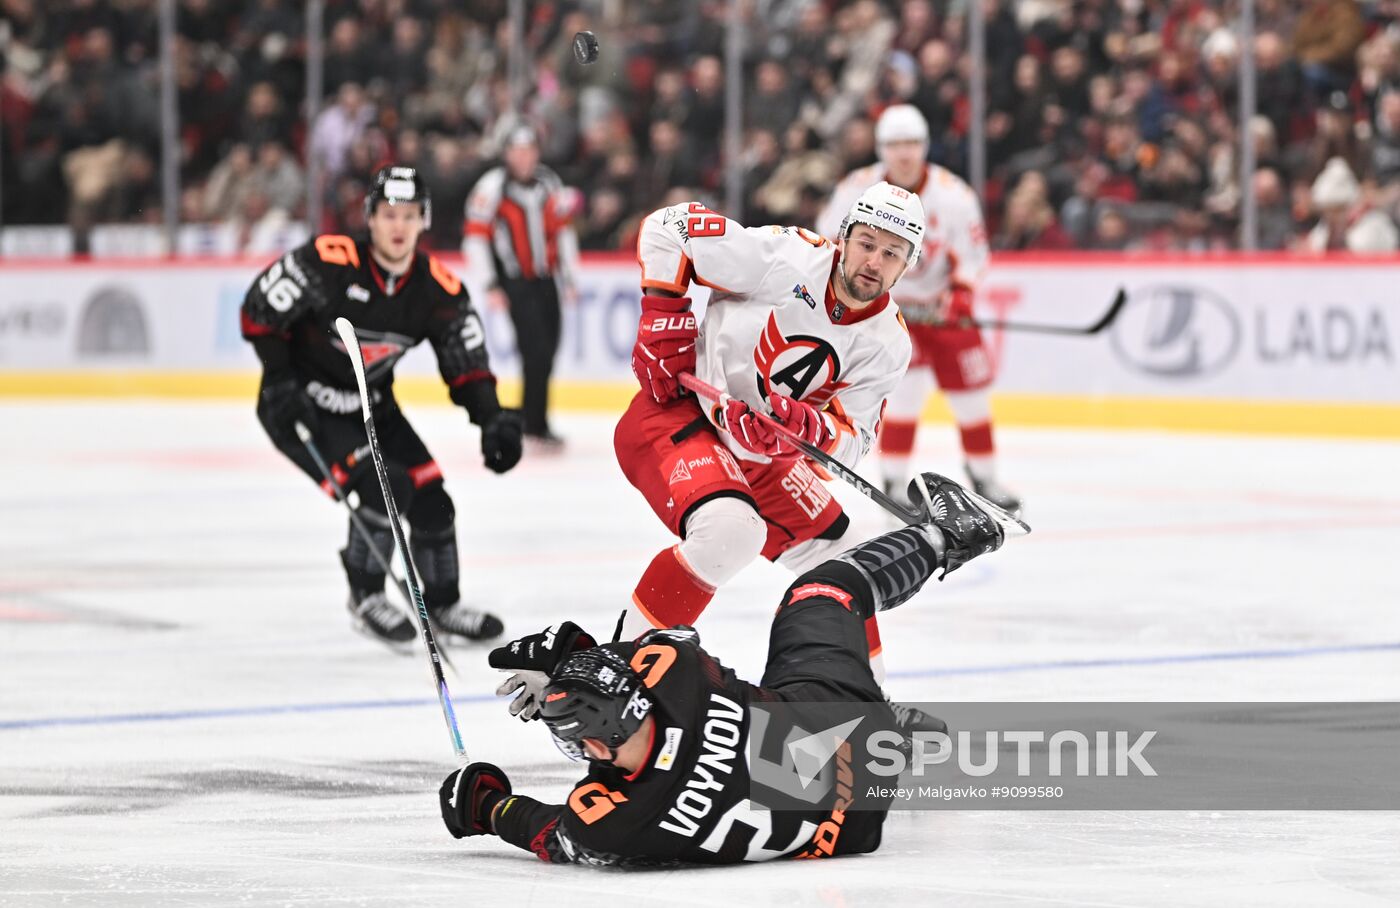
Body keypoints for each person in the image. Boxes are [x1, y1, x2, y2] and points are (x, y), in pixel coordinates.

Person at [438, 470, 1016, 865]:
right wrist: (571, 655)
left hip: (849, 831)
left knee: (770, 741)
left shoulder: (615, 824)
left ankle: (893, 737)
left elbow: (554, 835)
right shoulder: (678, 673)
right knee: (821, 591)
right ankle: (948, 535)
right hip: (845, 721)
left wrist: (484, 806)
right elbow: (650, 648)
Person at [615, 183, 941, 737]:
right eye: (866, 243)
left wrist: (808, 432)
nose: (873, 262)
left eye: (891, 254)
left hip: (760, 454)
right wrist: (662, 311)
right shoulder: (786, 258)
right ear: (844, 237)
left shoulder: (888, 342)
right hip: (678, 414)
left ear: (908, 264)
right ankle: (614, 681)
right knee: (730, 532)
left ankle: (865, 704)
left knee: (845, 562)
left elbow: (853, 441)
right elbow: (669, 226)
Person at [241, 165, 522, 647]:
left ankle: (442, 604)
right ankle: (365, 594)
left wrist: (493, 417)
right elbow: (260, 310)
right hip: (301, 407)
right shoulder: (331, 261)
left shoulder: (438, 289)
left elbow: (466, 361)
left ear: (424, 222)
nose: (398, 226)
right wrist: (279, 379)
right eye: (388, 214)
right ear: (369, 218)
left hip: (373, 404)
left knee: (432, 499)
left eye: (409, 216)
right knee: (382, 485)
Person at [817, 104, 1021, 513]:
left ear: (925, 145)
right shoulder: (855, 188)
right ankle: (893, 482)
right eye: (894, 145)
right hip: (884, 314)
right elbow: (829, 244)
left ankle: (985, 477)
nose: (904, 153)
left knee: (972, 399)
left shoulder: (954, 195)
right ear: (881, 149)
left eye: (911, 143)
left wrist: (961, 294)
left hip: (941, 310)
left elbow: (973, 253)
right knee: (904, 397)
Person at [462, 126, 581, 450]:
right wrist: (489, 284)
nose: (524, 158)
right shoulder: (491, 188)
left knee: (549, 349)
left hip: (546, 279)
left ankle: (534, 419)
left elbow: (564, 232)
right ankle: (534, 423)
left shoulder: (549, 182)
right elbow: (475, 238)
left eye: (529, 150)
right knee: (535, 350)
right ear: (507, 154)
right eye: (518, 151)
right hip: (515, 281)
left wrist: (570, 276)